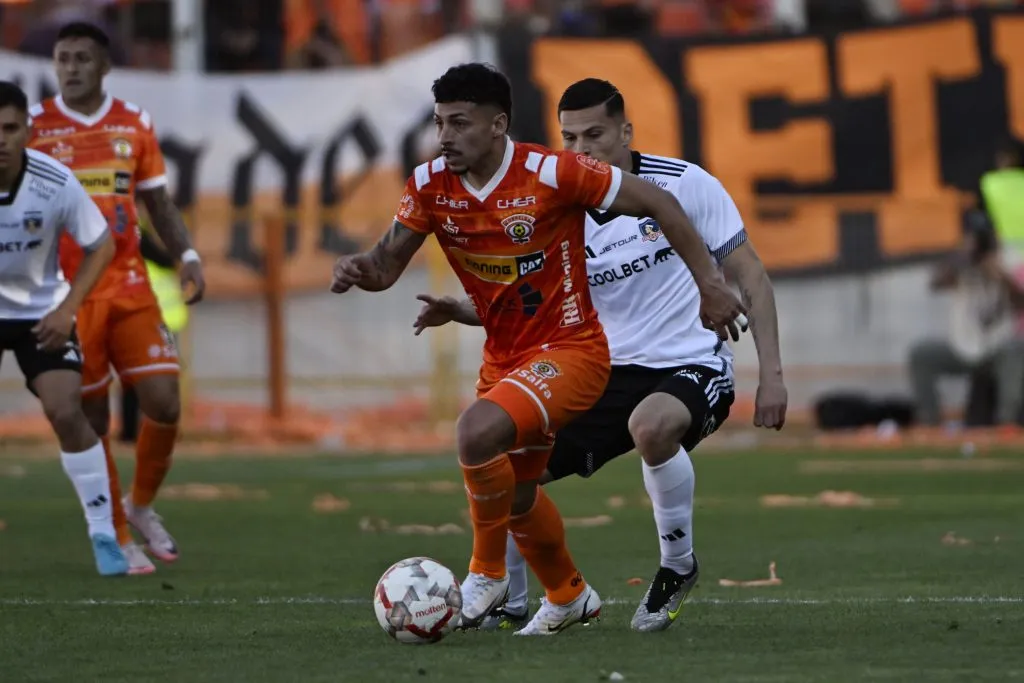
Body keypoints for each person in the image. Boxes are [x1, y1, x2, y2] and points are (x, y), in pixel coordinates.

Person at [330, 63, 745, 636]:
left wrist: (709, 284)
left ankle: (488, 574)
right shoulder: (429, 185)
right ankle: (568, 594)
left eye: (459, 122)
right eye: (438, 123)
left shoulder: (553, 173)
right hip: (506, 357)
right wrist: (360, 269)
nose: (445, 136)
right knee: (517, 489)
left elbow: (662, 205)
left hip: (573, 350)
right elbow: (384, 268)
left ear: (498, 124)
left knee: (475, 432)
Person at [28, 22, 206, 575]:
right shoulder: (34, 129)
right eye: (63, 59)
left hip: (129, 284)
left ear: (105, 66)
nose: (72, 68)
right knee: (93, 417)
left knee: (165, 402)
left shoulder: (134, 123)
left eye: (83, 58)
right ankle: (117, 533)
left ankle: (142, 505)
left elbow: (157, 202)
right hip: (67, 294)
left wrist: (188, 256)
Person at [0, 80, 126, 576]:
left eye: (10, 128)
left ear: (28, 130)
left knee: (65, 411)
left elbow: (102, 244)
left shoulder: (54, 180)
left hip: (42, 312)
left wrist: (68, 308)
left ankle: (103, 533)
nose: (1, 139)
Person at [908, 220, 1024, 427]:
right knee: (920, 355)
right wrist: (962, 259)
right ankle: (929, 421)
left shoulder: (1008, 260)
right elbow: (936, 284)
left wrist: (998, 273)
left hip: (996, 349)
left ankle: (1008, 422)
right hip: (961, 348)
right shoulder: (960, 264)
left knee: (1016, 349)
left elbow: (1020, 303)